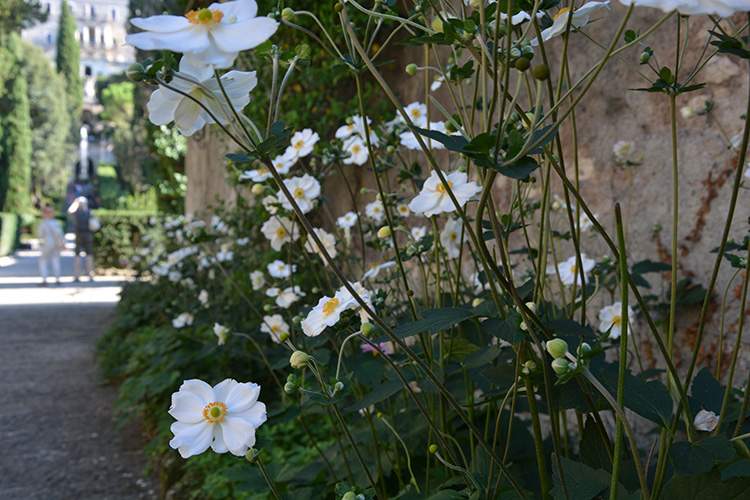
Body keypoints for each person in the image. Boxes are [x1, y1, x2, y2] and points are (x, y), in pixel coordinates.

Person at [67, 196, 95, 281]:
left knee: (77, 254)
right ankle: (90, 274)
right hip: (88, 234)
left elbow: (69, 211)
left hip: (79, 234)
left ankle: (77, 275)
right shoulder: (89, 213)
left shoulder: (76, 213)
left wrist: (75, 203)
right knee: (89, 254)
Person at [37, 206, 64, 286]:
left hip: (46, 243)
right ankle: (57, 278)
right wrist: (62, 243)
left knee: (43, 261)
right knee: (55, 260)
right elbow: (60, 234)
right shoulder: (56, 223)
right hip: (56, 243)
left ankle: (44, 279)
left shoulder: (42, 223)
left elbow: (39, 234)